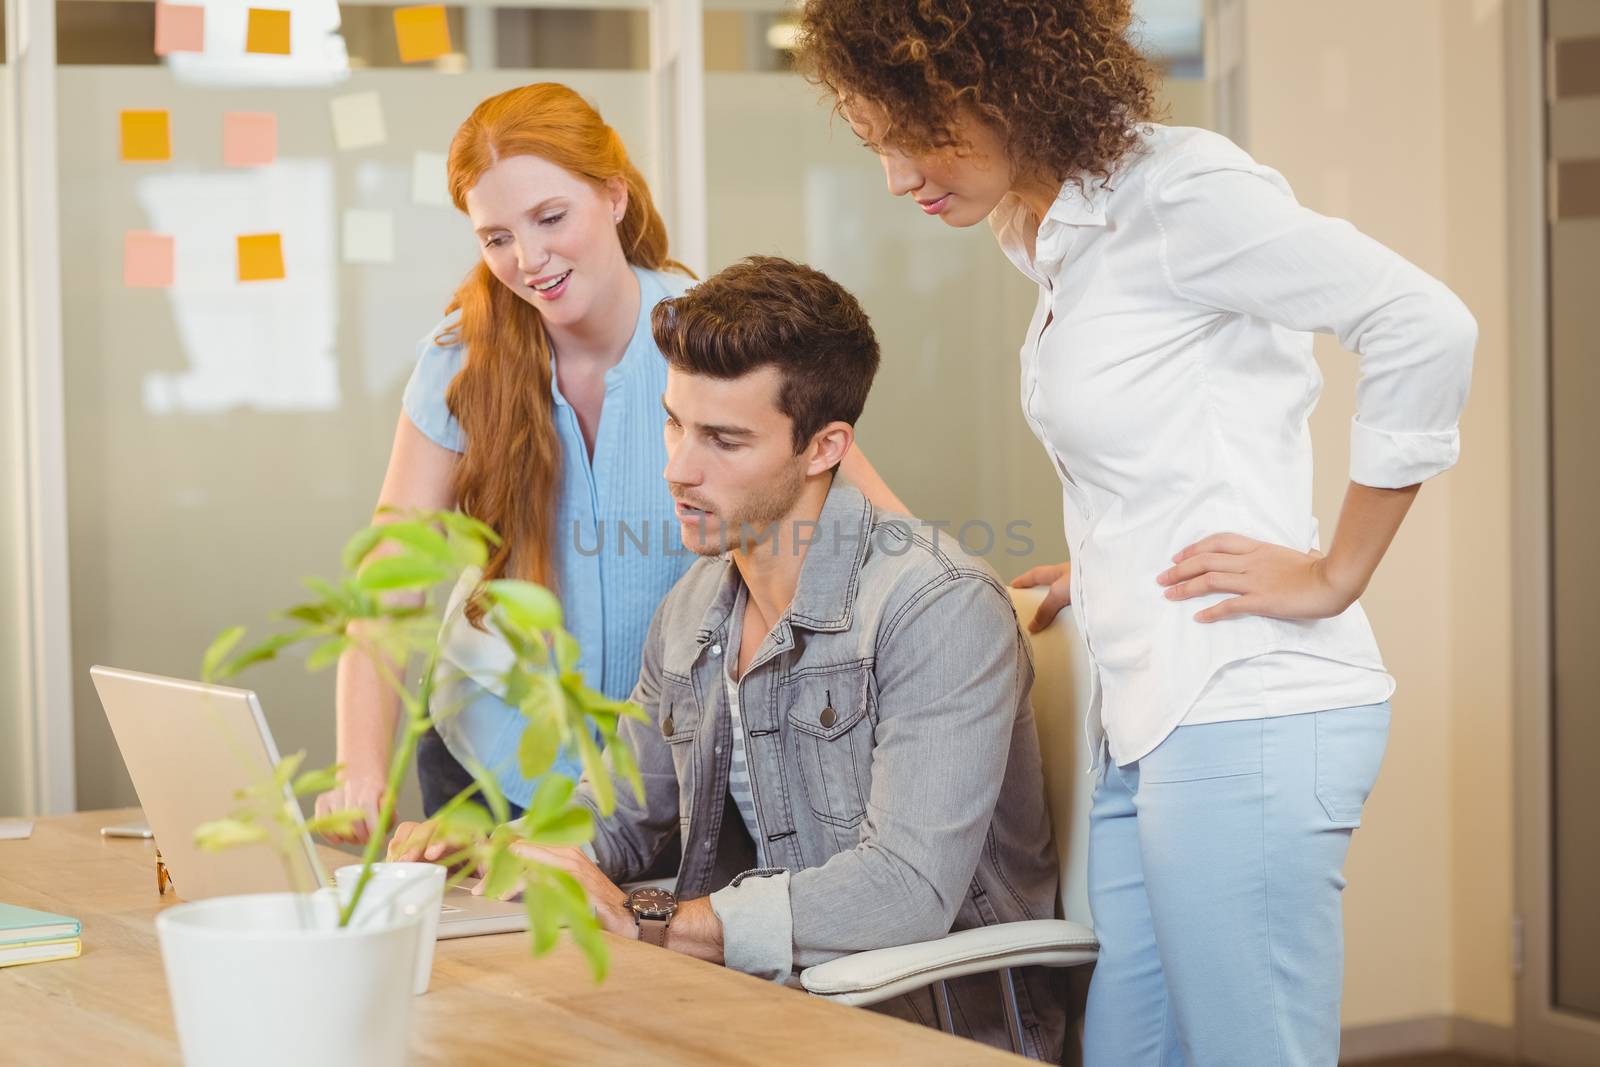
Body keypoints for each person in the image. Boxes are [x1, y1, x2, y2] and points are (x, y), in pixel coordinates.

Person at [796, 3, 1477, 1064]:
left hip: (1241, 704)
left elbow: (1424, 322)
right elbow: (1178, 424)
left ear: (1007, 75)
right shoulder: (1049, 229)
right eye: (875, 139)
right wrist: (1111, 561)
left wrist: (1336, 570)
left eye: (916, 131)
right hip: (1147, 710)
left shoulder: (1180, 194)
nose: (895, 175)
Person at [392, 256, 1065, 1059]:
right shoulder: (692, 608)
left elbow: (903, 890)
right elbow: (623, 814)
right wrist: (512, 847)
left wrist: (655, 922)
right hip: (755, 1014)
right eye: (676, 422)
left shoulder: (938, 606)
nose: (678, 467)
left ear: (824, 447)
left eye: (724, 439)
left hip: (926, 1032)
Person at [316, 84, 903, 840]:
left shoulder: (707, 339)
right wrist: (358, 765)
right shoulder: (460, 358)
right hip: (491, 766)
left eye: (550, 217)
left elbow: (873, 524)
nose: (528, 260)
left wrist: (989, 611)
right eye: (495, 237)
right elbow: (387, 581)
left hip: (672, 776)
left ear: (614, 198)